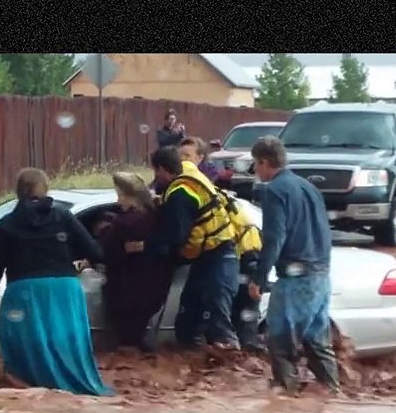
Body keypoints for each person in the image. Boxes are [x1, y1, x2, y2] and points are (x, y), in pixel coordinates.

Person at [0, 168, 112, 396]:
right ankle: (72, 384)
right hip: (64, 288)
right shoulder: (62, 216)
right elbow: (94, 250)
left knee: (20, 338)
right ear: (45, 188)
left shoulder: (6, 224)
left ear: (18, 191)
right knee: (67, 338)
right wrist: (74, 259)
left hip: (25, 290)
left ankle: (28, 385)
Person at [249, 136, 341, 395]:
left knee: (279, 343)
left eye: (256, 165)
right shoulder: (308, 187)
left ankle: (284, 401)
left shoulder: (274, 191)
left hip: (295, 279)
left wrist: (258, 277)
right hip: (321, 276)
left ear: (265, 162)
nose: (255, 171)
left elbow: (274, 238)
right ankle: (332, 395)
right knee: (316, 342)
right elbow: (323, 229)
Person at [147, 146, 241, 351]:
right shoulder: (186, 175)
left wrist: (148, 246)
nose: (156, 177)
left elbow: (176, 235)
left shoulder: (181, 193)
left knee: (218, 317)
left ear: (163, 169)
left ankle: (229, 363)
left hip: (219, 254)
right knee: (189, 317)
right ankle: (193, 360)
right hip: (206, 255)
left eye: (156, 172)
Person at [96, 172, 174, 351]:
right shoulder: (157, 217)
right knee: (135, 344)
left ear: (133, 197)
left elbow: (103, 251)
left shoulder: (125, 224)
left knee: (128, 346)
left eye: (121, 196)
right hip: (152, 290)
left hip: (127, 295)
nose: (118, 202)